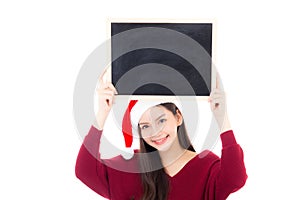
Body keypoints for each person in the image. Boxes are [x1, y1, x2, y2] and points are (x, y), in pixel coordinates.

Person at [75, 69, 247, 200]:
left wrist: (222, 118)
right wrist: (103, 112)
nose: (155, 132)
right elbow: (85, 171)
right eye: (145, 126)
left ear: (178, 117)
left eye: (161, 121)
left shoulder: (206, 166)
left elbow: (235, 178)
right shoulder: (129, 168)